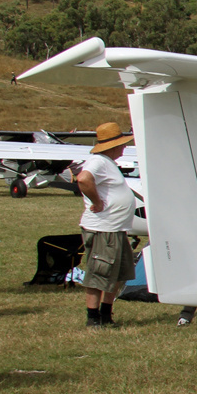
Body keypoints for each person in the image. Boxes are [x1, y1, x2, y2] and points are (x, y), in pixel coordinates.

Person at [76, 122, 137, 328]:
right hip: (103, 229)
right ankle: (92, 318)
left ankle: (105, 314)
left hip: (116, 229)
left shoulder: (107, 162)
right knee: (100, 272)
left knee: (118, 273)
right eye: (121, 144)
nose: (124, 148)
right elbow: (83, 179)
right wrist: (96, 202)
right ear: (112, 146)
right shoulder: (98, 161)